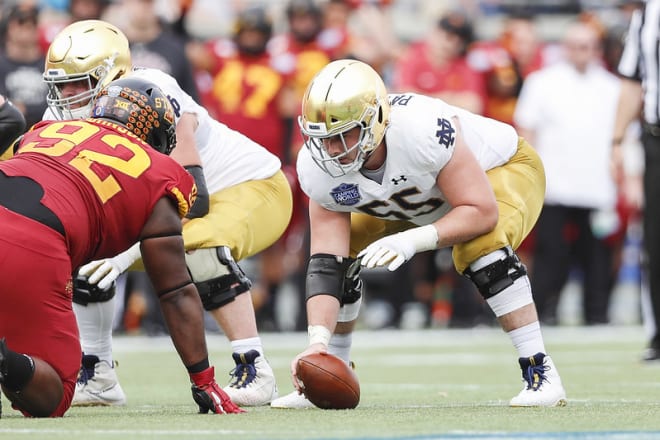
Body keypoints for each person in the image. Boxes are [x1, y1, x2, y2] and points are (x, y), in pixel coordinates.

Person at [272, 59, 568, 409]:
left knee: (479, 246)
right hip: (418, 197)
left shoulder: (421, 129)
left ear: (375, 121)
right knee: (344, 251)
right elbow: (326, 262)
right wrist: (316, 344)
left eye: (342, 135)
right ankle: (332, 365)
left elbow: (480, 211)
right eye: (323, 138)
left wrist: (413, 240)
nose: (332, 150)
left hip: (499, 173)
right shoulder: (317, 166)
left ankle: (541, 372)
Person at [43, 19, 291, 407]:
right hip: (168, 207)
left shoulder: (150, 91)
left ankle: (253, 365)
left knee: (200, 247)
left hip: (249, 188)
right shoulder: (59, 116)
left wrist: (126, 254)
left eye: (80, 82)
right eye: (61, 84)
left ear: (113, 74)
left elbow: (194, 199)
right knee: (75, 242)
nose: (68, 95)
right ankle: (98, 371)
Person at [0, 76, 243, 417]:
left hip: (23, 220)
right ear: (157, 133)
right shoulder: (159, 172)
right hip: (34, 240)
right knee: (54, 396)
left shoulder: (43, 130)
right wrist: (203, 379)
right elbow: (174, 291)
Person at [514, 21, 622, 326]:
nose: (580, 53)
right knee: (551, 255)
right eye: (574, 46)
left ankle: (597, 313)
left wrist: (627, 177)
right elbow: (527, 132)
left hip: (597, 185)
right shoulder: (542, 82)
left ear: (597, 50)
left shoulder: (611, 87)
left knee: (597, 257)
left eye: (586, 46)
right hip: (555, 185)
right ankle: (546, 311)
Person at [613, 0, 660, 362]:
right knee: (655, 240)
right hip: (655, 136)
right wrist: (616, 140)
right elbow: (632, 80)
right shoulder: (646, 15)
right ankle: (658, 333)